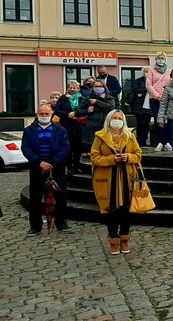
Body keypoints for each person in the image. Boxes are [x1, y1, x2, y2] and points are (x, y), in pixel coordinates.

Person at [91, 110, 143, 255]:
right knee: (110, 210)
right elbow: (94, 157)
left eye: (120, 118)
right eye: (114, 118)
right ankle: (113, 239)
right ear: (109, 119)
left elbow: (138, 154)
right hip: (108, 179)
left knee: (126, 210)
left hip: (127, 178)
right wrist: (112, 159)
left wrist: (129, 157)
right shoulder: (100, 137)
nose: (117, 120)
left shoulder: (130, 136)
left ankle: (125, 238)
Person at [21, 104, 71, 236]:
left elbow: (65, 147)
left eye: (46, 114)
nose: (44, 116)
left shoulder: (60, 130)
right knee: (35, 197)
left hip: (57, 167)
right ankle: (35, 226)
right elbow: (26, 148)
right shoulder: (29, 130)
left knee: (61, 196)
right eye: (41, 114)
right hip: (37, 168)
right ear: (37, 114)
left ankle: (61, 222)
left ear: (51, 114)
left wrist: (53, 163)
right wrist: (39, 162)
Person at [77, 79, 117, 157]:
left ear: (104, 87)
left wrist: (96, 102)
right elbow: (78, 111)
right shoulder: (88, 98)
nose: (98, 88)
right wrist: (87, 110)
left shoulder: (109, 98)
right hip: (90, 127)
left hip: (105, 126)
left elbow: (111, 108)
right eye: (96, 86)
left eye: (100, 86)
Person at [55, 80, 85, 175]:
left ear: (78, 89)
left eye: (74, 88)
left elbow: (85, 110)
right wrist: (68, 114)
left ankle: (76, 166)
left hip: (78, 126)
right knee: (68, 148)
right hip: (66, 126)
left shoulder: (82, 99)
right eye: (70, 88)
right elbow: (57, 111)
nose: (72, 90)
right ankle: (69, 167)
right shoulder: (62, 99)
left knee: (78, 148)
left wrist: (76, 114)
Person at [147, 51, 173, 152]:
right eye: (159, 58)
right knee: (158, 119)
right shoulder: (151, 71)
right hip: (155, 99)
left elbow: (171, 84)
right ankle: (160, 141)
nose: (160, 60)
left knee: (167, 120)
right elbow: (148, 85)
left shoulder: (169, 71)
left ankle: (167, 142)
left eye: (162, 58)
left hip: (167, 99)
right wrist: (157, 96)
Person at [128, 67, 153, 147]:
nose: (147, 73)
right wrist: (146, 90)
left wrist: (142, 93)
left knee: (146, 125)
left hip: (149, 106)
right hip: (138, 106)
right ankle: (139, 141)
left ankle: (144, 141)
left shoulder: (153, 81)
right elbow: (135, 89)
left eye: (148, 71)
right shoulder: (139, 80)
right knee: (140, 124)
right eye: (146, 71)